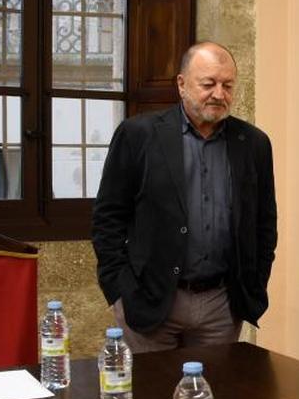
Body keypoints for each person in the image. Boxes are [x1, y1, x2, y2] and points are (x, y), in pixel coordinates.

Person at [92, 41, 278, 353]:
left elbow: (264, 224)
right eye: (208, 84)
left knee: (214, 398)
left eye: (227, 85)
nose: (219, 94)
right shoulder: (138, 135)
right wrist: (120, 291)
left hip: (222, 304)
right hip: (149, 301)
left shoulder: (254, 145)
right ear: (181, 84)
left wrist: (254, 284)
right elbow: (107, 218)